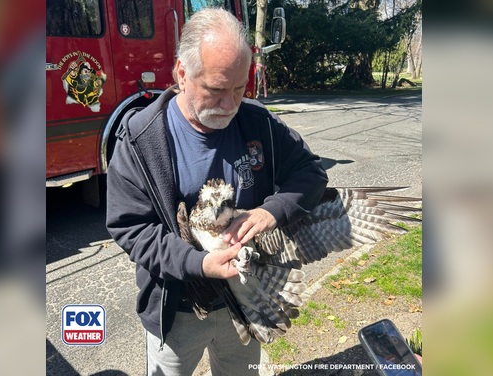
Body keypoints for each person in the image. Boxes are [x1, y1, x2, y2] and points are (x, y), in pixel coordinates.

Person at [106, 8, 328, 376]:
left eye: (240, 88)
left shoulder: (260, 123)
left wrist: (269, 211)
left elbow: (310, 175)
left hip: (243, 299)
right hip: (177, 309)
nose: (230, 105)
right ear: (181, 74)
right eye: (216, 89)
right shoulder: (140, 139)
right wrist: (198, 264)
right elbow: (130, 227)